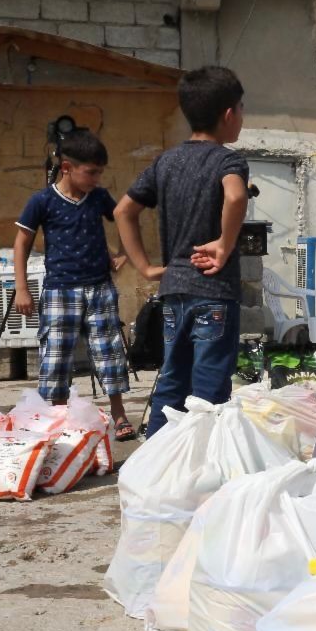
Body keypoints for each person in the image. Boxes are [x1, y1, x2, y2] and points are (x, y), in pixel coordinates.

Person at [115, 66, 250, 437]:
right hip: (215, 291)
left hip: (174, 289)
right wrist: (224, 244)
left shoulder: (166, 162)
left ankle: (155, 461)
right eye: (241, 108)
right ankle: (201, 465)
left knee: (172, 378)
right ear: (228, 115)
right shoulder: (228, 160)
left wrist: (144, 268)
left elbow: (123, 210)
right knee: (208, 386)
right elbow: (236, 195)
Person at [13, 130, 135, 440]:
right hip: (59, 292)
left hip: (99, 289)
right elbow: (22, 242)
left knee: (109, 355)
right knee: (56, 359)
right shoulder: (42, 201)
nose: (96, 178)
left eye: (99, 172)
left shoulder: (99, 198)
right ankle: (60, 418)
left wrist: (124, 252)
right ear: (67, 167)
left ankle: (119, 415)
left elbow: (124, 216)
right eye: (91, 172)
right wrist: (23, 288)